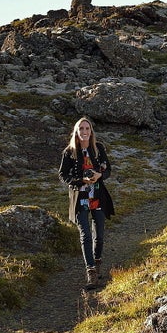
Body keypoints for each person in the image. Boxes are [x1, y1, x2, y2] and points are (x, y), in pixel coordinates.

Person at [58, 116, 115, 290]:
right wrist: (79, 181)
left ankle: (97, 264)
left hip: (97, 195)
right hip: (80, 196)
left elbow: (108, 169)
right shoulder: (69, 152)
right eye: (81, 129)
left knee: (99, 235)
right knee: (85, 235)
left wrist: (99, 175)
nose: (84, 132)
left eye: (87, 128)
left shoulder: (98, 148)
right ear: (76, 131)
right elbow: (63, 175)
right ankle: (91, 273)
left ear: (91, 131)